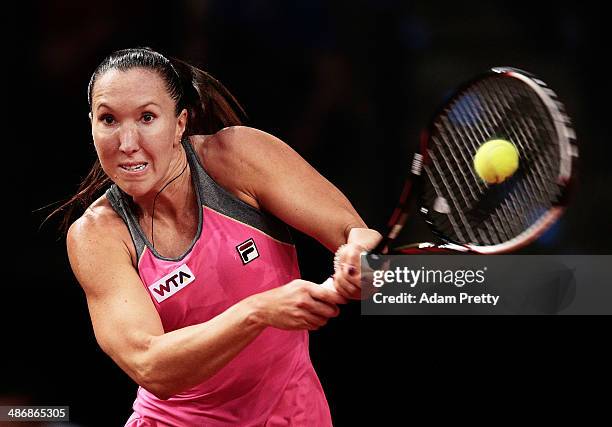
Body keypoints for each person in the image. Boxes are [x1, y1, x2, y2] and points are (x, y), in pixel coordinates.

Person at [60, 47, 381, 426]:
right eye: (109, 119)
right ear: (92, 125)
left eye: (147, 117)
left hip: (295, 415)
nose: (127, 142)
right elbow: (151, 366)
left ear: (180, 123)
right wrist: (258, 312)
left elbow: (356, 235)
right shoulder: (96, 235)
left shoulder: (236, 158)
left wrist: (364, 262)